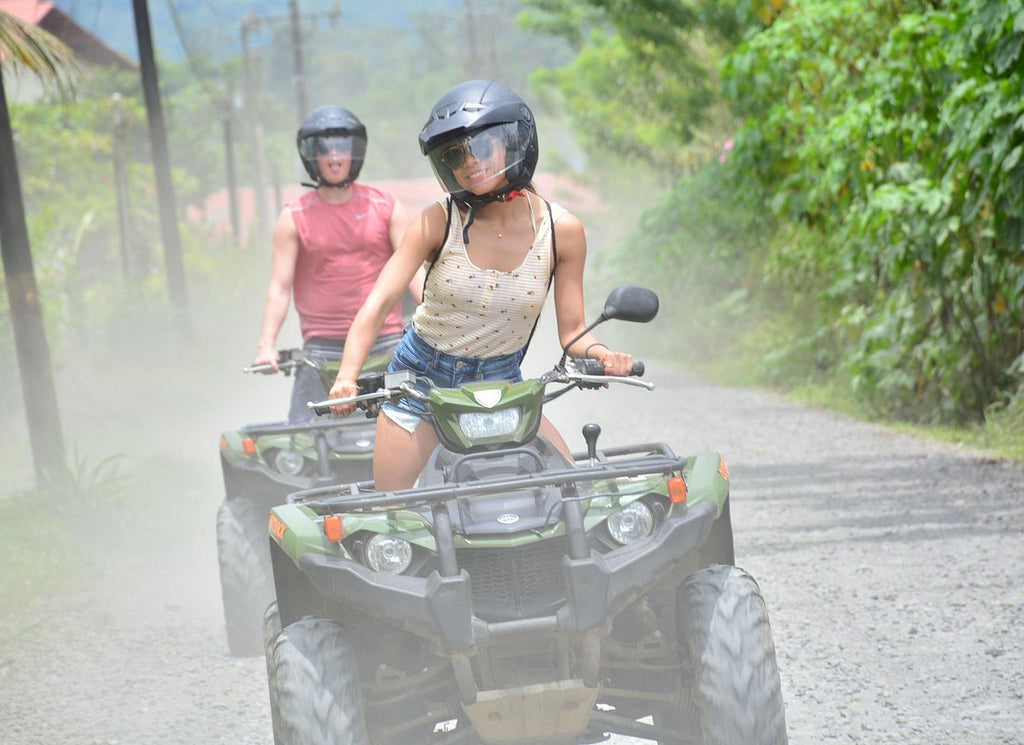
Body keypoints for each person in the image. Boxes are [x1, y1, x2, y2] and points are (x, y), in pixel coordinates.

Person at [328, 80, 635, 490]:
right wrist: (347, 376)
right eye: (455, 154)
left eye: (482, 146)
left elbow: (574, 331)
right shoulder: (437, 220)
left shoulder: (564, 231)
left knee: (571, 492)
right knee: (395, 514)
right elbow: (379, 303)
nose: (470, 162)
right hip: (418, 384)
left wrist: (604, 354)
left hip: (502, 386)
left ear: (514, 143)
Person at [252, 105, 423, 423]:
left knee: (419, 426)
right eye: (324, 148)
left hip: (386, 342)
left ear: (355, 151)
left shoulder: (386, 207)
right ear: (311, 155)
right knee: (302, 437)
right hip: (321, 351)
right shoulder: (293, 217)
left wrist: (442, 326)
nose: (334, 157)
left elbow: (411, 272)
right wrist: (267, 345)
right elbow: (279, 287)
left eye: (342, 146)